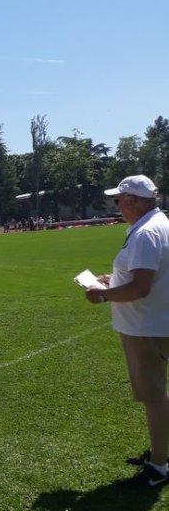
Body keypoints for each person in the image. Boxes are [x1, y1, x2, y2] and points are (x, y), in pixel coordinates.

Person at [85, 175, 169, 488]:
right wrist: (114, 280)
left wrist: (103, 295)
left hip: (145, 325)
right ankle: (161, 452)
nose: (117, 205)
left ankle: (159, 466)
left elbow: (141, 287)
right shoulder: (159, 224)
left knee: (154, 397)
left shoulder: (146, 233)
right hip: (157, 320)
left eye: (119, 199)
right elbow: (146, 276)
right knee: (158, 395)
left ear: (132, 200)